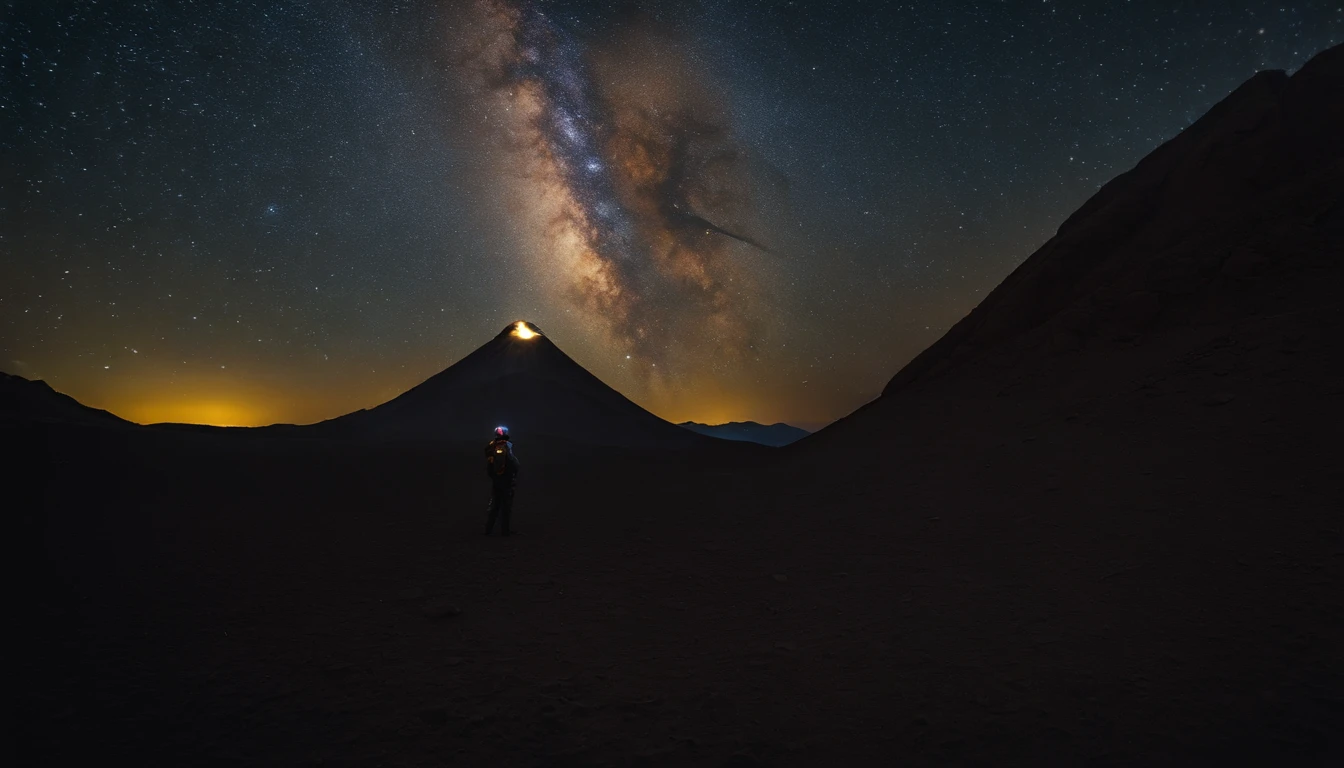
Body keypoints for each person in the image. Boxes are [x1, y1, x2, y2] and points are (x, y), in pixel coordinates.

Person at [484, 426, 519, 536]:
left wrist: (494, 477)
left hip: (496, 481)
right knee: (506, 506)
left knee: (495, 505)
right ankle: (505, 531)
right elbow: (514, 463)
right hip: (506, 481)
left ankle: (488, 530)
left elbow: (490, 466)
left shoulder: (492, 446)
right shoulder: (506, 446)